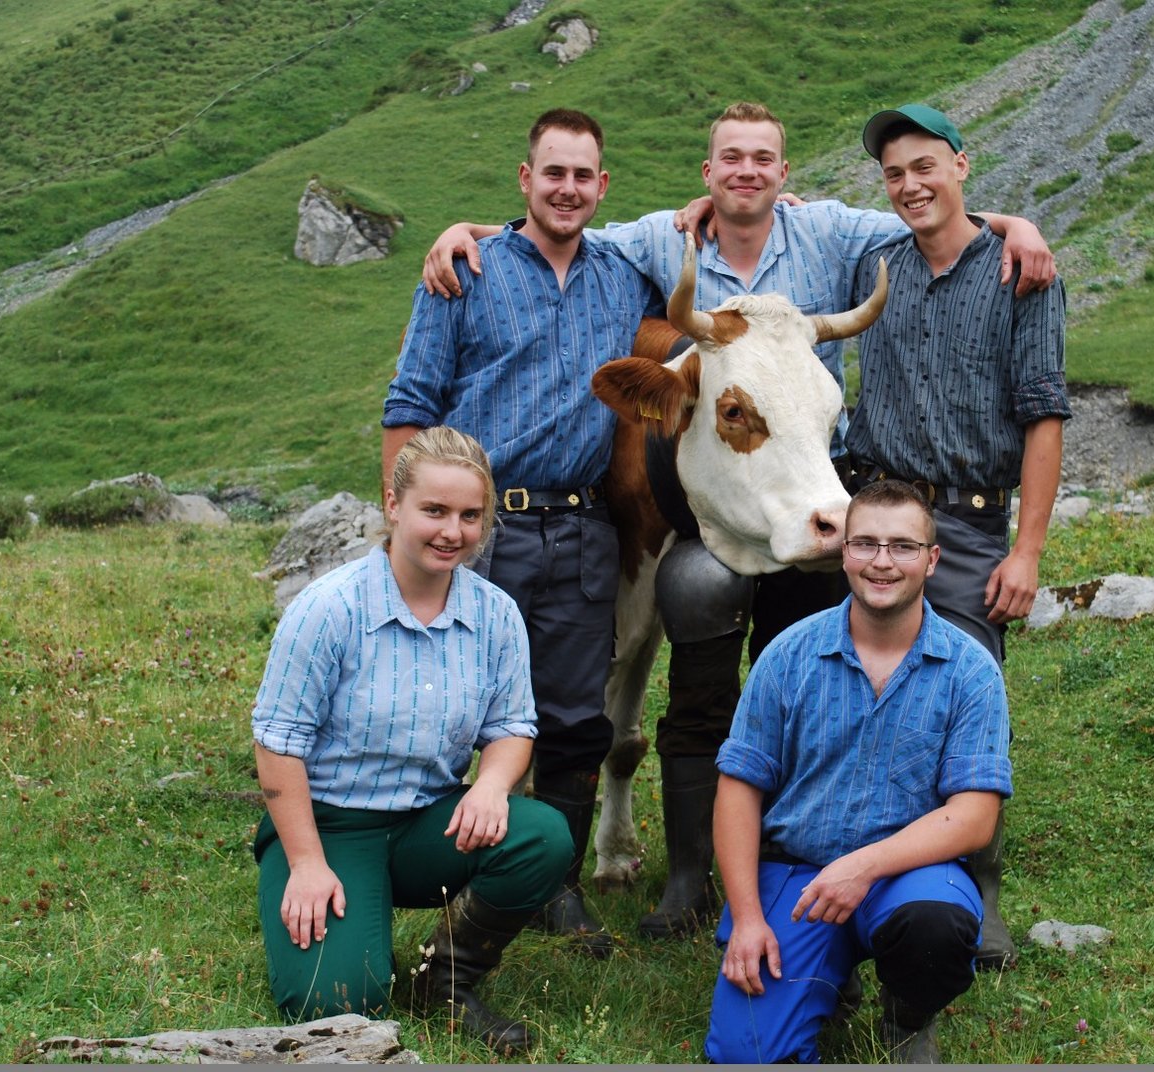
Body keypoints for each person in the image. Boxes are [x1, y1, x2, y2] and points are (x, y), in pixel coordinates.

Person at [418, 102, 1054, 943]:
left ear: (785, 174)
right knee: (693, 637)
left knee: (823, 678)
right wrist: (470, 233)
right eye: (731, 159)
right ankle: (687, 875)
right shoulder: (659, 240)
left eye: (763, 158)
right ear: (708, 173)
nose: (747, 171)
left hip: (817, 503)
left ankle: (836, 854)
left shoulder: (831, 233)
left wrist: (1014, 225)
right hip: (714, 512)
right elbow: (563, 229)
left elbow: (933, 216)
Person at [382, 109, 658, 958]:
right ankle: (440, 863)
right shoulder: (466, 271)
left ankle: (555, 884)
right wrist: (401, 523)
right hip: (480, 527)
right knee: (454, 704)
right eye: (553, 173)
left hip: (582, 525)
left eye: (583, 176)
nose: (567, 189)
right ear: (525, 179)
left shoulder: (625, 277)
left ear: (603, 186)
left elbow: (715, 247)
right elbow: (410, 405)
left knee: (575, 716)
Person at [251, 426, 570, 1053]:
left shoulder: (496, 614)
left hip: (430, 821)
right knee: (336, 1007)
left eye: (470, 516)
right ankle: (337, 914)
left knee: (543, 836)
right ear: (394, 505)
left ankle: (446, 978)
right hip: (329, 826)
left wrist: (492, 785)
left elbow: (512, 727)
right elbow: (277, 744)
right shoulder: (328, 609)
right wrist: (307, 864)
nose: (453, 531)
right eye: (435, 510)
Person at [846, 103, 1071, 970]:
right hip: (878, 508)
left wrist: (1028, 552)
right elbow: (767, 222)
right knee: (860, 686)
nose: (910, 185)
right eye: (894, 174)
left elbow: (1044, 416)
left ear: (961, 165)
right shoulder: (872, 265)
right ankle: (868, 868)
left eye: (924, 166)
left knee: (969, 695)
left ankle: (980, 887)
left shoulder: (1022, 273)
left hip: (972, 522)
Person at [704, 480, 1011, 1063]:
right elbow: (739, 789)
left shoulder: (971, 670)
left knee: (935, 927)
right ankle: (829, 972)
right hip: (798, 876)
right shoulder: (786, 655)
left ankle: (908, 1014)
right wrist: (746, 919)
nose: (881, 562)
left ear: (932, 559)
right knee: (748, 1055)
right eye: (865, 543)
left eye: (902, 546)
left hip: (910, 874)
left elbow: (974, 818)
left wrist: (863, 866)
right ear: (844, 552)